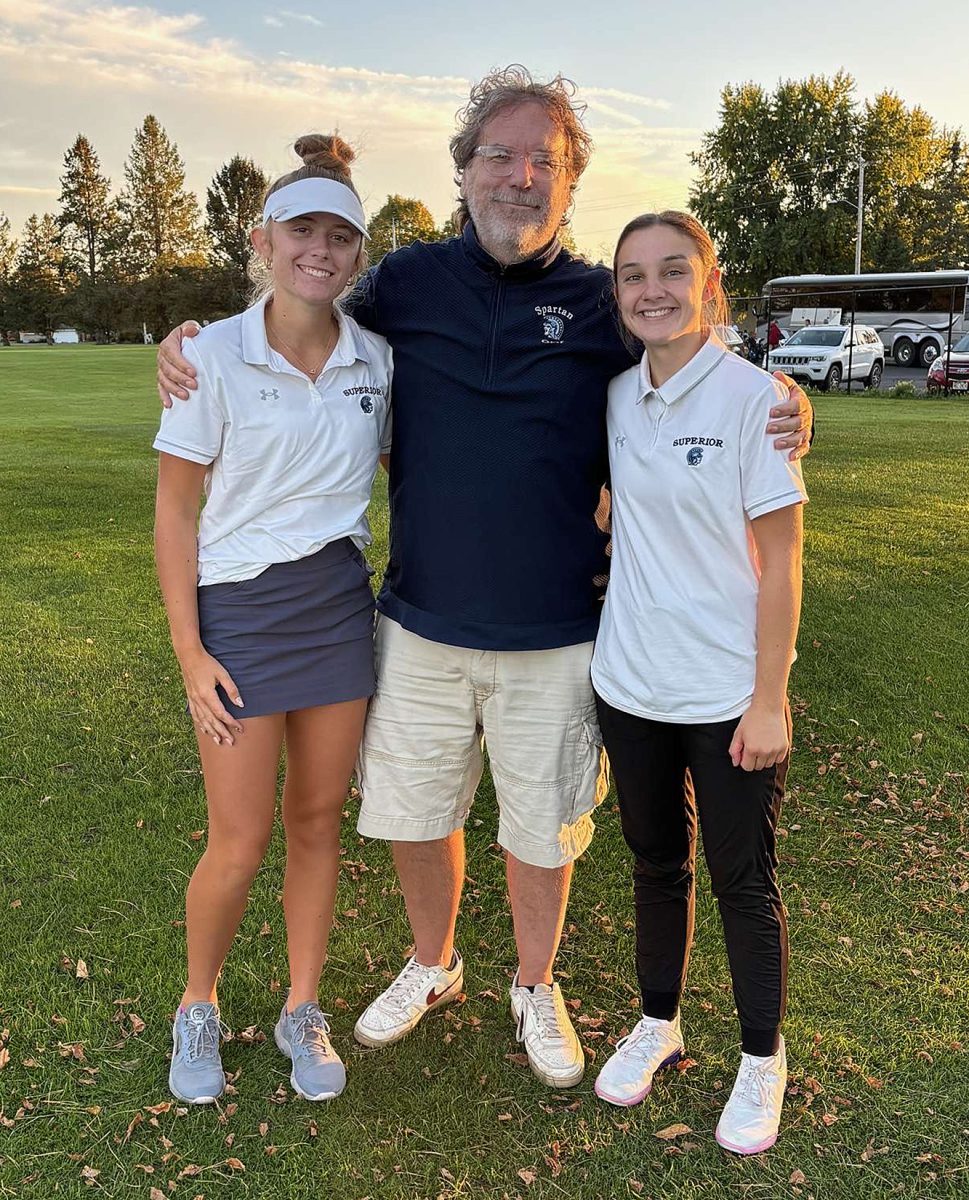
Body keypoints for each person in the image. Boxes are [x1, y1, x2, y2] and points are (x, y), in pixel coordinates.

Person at [156, 66, 812, 1092]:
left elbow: (687, 350)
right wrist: (190, 338)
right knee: (418, 814)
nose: (519, 177)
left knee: (540, 823)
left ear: (569, 184)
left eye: (542, 162)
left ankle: (534, 982)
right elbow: (304, 306)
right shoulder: (405, 282)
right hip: (417, 619)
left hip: (554, 627)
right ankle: (434, 962)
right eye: (498, 156)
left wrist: (785, 396)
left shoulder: (601, 301)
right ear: (463, 172)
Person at [153, 134, 392, 1104]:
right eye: (303, 230)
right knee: (239, 834)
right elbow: (175, 510)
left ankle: (302, 1006)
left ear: (357, 256)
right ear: (263, 240)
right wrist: (188, 650)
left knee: (317, 823)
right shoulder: (208, 354)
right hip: (239, 617)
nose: (320, 250)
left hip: (336, 608)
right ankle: (196, 1005)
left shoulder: (379, 358)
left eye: (340, 236)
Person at [590, 211, 805, 1154]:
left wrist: (770, 696)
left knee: (741, 879)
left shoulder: (758, 400)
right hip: (628, 682)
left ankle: (761, 1058)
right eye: (633, 275)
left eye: (671, 271)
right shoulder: (614, 397)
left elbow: (783, 561)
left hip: (726, 696)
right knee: (652, 864)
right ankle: (660, 1022)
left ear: (709, 283)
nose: (652, 290)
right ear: (618, 295)